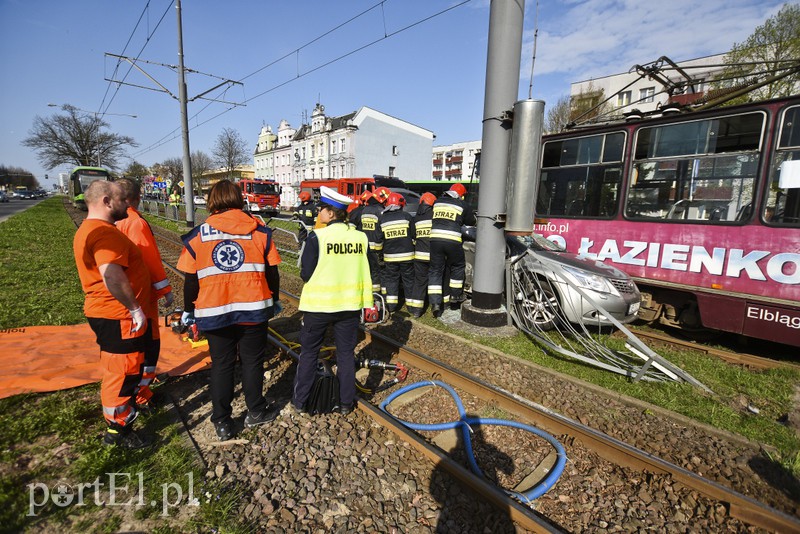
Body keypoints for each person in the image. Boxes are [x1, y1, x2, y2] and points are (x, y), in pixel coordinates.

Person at [177, 179, 282, 441]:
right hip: (254, 308)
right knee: (252, 361)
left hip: (213, 311)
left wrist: (189, 310)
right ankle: (256, 410)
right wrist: (274, 299)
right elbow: (273, 272)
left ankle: (222, 422)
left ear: (212, 201)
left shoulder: (198, 235)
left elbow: (190, 280)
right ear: (238, 199)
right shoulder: (259, 231)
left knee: (222, 365)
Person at [72, 180, 156, 449]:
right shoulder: (105, 234)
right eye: (122, 200)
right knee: (122, 371)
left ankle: (122, 415)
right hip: (118, 315)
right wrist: (134, 309)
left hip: (109, 312)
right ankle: (118, 431)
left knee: (118, 368)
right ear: (107, 201)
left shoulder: (92, 229)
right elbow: (111, 272)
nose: (127, 204)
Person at [291, 186, 372, 415]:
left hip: (319, 305)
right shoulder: (359, 238)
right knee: (345, 354)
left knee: (309, 353)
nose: (318, 214)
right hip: (349, 306)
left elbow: (306, 273)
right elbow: (368, 267)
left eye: (321, 210)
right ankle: (346, 403)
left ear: (331, 213)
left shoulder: (319, 236)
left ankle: (300, 402)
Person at [115, 178, 174, 413]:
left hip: (124, 294)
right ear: (136, 198)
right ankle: (142, 394)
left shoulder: (111, 221)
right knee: (149, 346)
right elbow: (149, 260)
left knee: (132, 348)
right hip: (141, 295)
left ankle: (138, 390)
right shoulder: (135, 222)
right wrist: (165, 290)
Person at [428, 183, 476, 316]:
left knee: (435, 271)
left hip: (435, 240)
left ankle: (435, 303)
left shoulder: (437, 202)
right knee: (457, 265)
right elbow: (471, 222)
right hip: (452, 240)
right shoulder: (462, 205)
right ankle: (455, 297)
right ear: (460, 195)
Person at [377, 192, 415, 314]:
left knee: (391, 280)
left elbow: (379, 240)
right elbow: (414, 236)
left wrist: (380, 253)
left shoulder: (382, 219)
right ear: (401, 204)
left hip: (390, 257)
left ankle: (392, 307)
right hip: (408, 256)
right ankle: (411, 307)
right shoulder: (407, 216)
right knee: (408, 280)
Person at [406, 192, 437, 317]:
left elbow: (413, 236)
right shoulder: (435, 216)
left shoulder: (416, 218)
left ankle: (416, 310)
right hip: (434, 255)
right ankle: (436, 306)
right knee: (435, 281)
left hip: (419, 255)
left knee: (419, 282)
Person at [359, 186, 391, 293]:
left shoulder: (364, 210)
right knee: (381, 272)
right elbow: (383, 231)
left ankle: (372, 294)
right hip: (378, 248)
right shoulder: (381, 211)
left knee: (371, 271)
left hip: (365, 247)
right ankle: (383, 296)